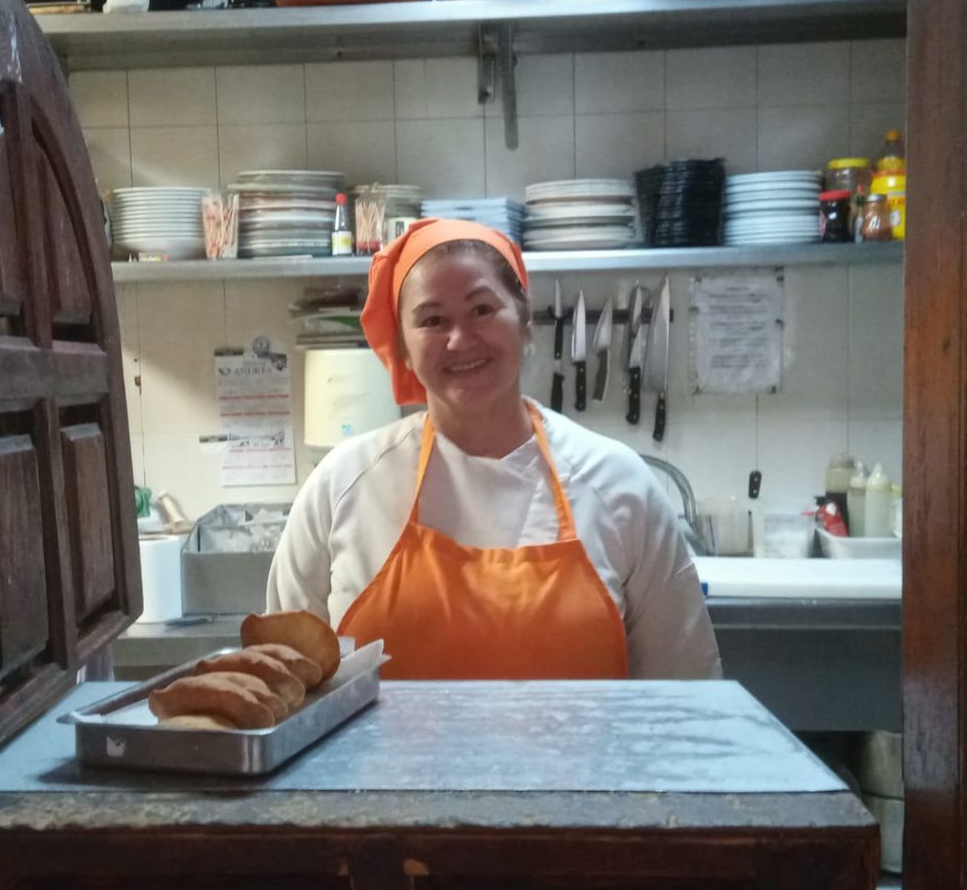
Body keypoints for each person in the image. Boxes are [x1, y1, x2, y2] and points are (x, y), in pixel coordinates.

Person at [265, 218, 720, 680]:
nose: (460, 339)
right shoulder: (345, 484)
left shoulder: (618, 484)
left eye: (482, 309)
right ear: (401, 347)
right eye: (432, 320)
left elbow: (687, 690)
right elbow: (282, 685)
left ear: (524, 320)